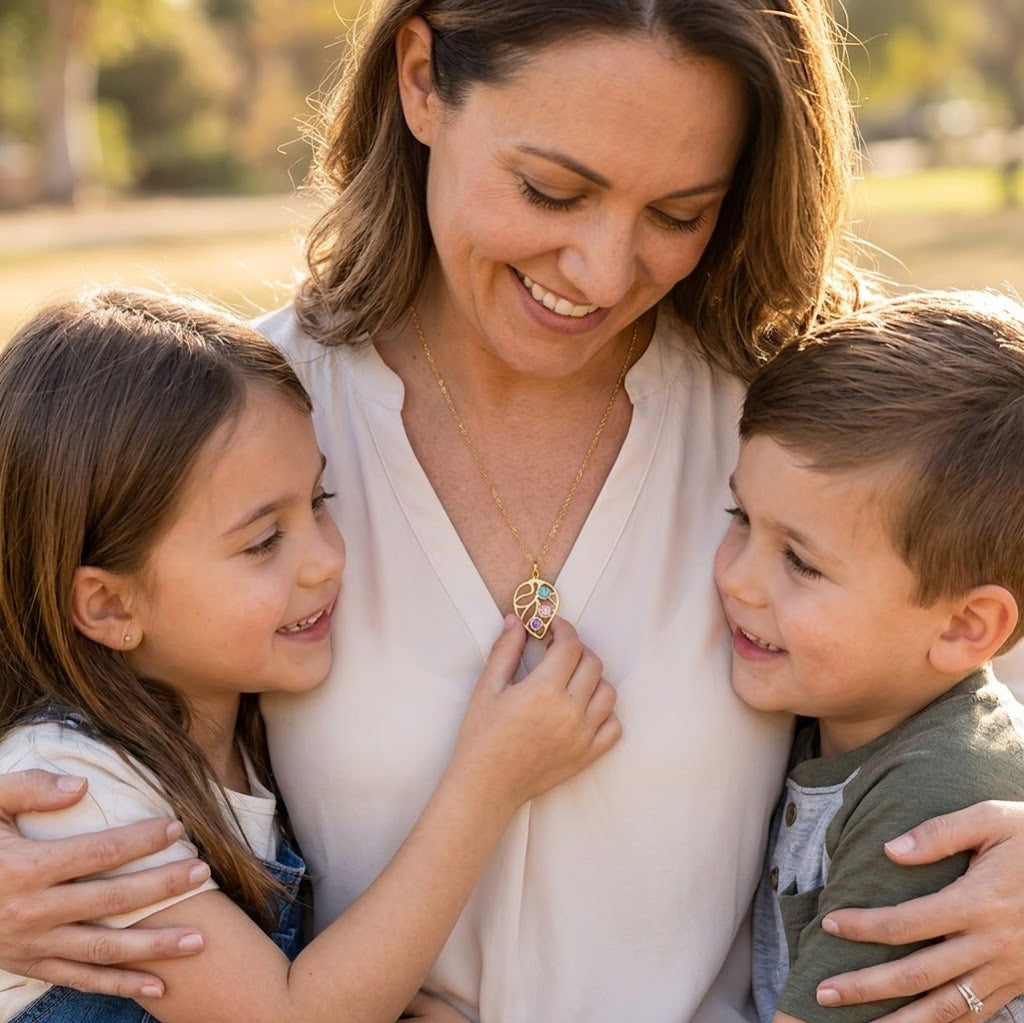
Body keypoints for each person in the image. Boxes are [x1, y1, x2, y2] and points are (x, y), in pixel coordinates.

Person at [3, 3, 1024, 1022]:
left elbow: (964, 659)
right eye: (551, 190)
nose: (602, 271)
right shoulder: (231, 437)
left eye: (678, 214)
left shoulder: (798, 446)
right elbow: (54, 676)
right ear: (421, 81)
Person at [0, 288, 619, 1023]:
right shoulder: (72, 790)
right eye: (264, 541)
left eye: (319, 501)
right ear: (110, 606)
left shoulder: (236, 741)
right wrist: (489, 782)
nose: (327, 559)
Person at [713, 290, 1024, 1022]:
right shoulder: (845, 710)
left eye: (801, 562)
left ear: (964, 626)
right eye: (741, 517)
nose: (737, 579)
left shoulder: (931, 806)